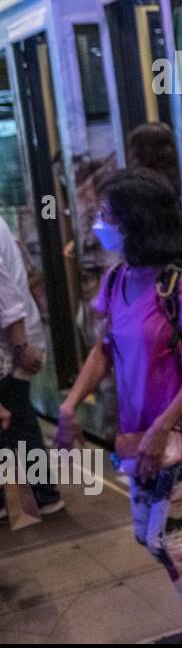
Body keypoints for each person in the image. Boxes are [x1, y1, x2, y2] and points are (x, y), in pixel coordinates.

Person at [54, 169, 182, 642]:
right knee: (146, 535)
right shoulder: (116, 283)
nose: (98, 223)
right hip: (138, 437)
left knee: (164, 537)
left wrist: (163, 425)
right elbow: (104, 348)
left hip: (180, 438)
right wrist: (71, 405)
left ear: (136, 222)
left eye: (106, 215)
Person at [0, 214, 62, 520]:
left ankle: (42, 493)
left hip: (12, 343)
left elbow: (8, 299)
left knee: (18, 419)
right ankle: (39, 493)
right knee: (18, 419)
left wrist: (21, 348)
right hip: (15, 340)